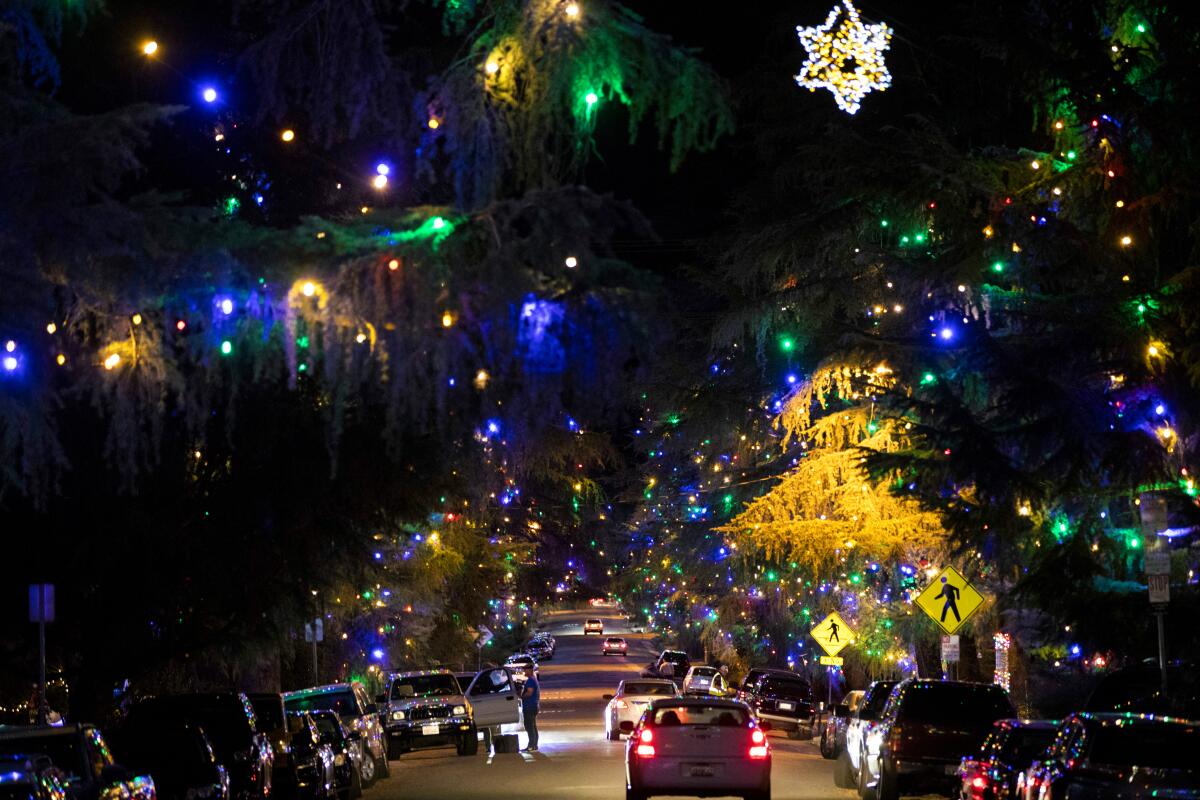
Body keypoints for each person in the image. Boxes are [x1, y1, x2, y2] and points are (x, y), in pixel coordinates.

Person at [520, 666, 541, 751]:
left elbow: (529, 692)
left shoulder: (530, 681)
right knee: (533, 726)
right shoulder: (534, 679)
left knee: (529, 726)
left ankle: (531, 745)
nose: (524, 671)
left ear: (530, 670)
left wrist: (521, 696)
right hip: (534, 705)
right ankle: (534, 745)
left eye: (525, 670)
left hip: (529, 706)